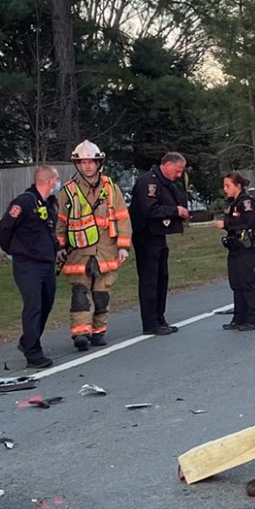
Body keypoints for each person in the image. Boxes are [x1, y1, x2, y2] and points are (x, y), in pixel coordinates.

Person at [58, 140, 132, 351]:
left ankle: (99, 332)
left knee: (101, 294)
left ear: (98, 163)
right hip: (78, 253)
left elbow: (122, 218)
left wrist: (123, 246)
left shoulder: (111, 189)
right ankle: (81, 333)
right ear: (77, 165)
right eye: (83, 162)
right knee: (80, 293)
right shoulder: (68, 192)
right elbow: (60, 222)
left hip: (106, 251)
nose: (87, 166)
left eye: (91, 161)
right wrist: (60, 246)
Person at [0, 165, 62, 369]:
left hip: (46, 264)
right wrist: (13, 249)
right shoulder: (23, 202)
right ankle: (33, 352)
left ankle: (28, 341)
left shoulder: (49, 203)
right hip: (27, 265)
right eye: (57, 180)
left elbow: (47, 232)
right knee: (33, 306)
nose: (59, 183)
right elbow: (3, 228)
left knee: (46, 304)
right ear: (50, 181)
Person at [128, 152, 190, 336]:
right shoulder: (149, 182)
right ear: (168, 164)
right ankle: (150, 322)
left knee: (161, 277)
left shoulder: (165, 183)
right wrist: (175, 211)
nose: (178, 175)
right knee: (150, 280)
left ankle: (159, 317)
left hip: (159, 235)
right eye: (177, 171)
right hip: (146, 236)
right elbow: (150, 209)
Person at [212, 172, 255, 330]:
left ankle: (253, 319)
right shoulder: (231, 203)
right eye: (224, 186)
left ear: (238, 185)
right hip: (235, 248)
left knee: (247, 283)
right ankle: (239, 317)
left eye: (228, 186)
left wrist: (226, 224)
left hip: (246, 248)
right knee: (236, 283)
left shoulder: (246, 202)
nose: (225, 189)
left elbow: (249, 222)